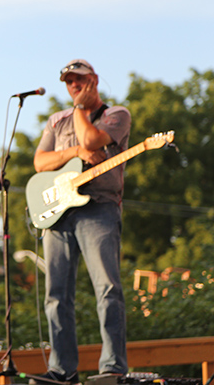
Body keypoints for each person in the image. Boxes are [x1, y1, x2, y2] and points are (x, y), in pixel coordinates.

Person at [30, 59, 130, 385]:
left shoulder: (117, 115)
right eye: (69, 81)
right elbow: (40, 161)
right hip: (61, 212)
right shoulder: (55, 121)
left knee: (107, 289)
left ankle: (112, 367)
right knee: (56, 294)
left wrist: (80, 111)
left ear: (94, 80)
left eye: (79, 80)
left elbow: (92, 141)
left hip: (99, 209)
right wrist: (74, 152)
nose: (74, 86)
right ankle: (62, 369)